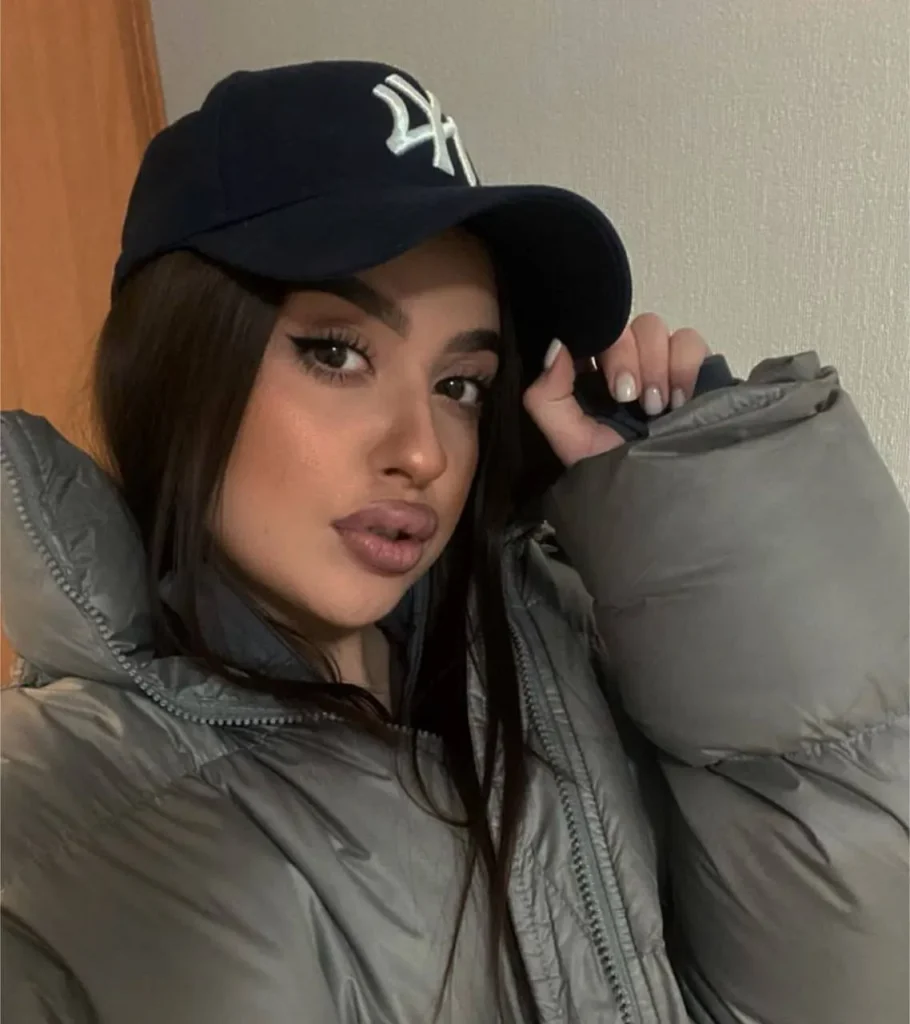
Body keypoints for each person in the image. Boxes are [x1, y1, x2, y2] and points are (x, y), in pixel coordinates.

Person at [1, 60, 906, 1024]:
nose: (424, 452)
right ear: (174, 365)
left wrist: (704, 514)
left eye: (460, 383)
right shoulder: (49, 845)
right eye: (336, 353)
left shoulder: (560, 654)